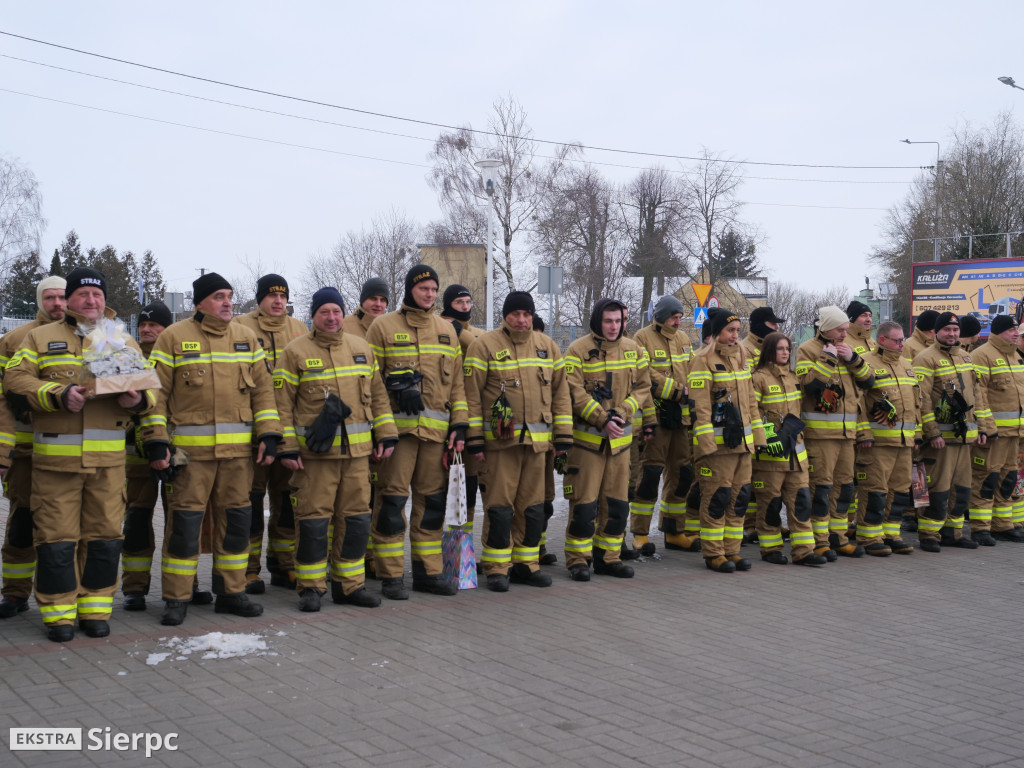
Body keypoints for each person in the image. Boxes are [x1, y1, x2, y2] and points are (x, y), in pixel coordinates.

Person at [5, 268, 153, 642]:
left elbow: (151, 387)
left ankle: (95, 610)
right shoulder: (39, 337)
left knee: (104, 538)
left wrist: (137, 400)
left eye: (97, 294)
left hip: (108, 465)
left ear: (105, 300)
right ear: (69, 299)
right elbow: (15, 380)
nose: (91, 300)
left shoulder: (120, 339)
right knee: (56, 538)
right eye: (83, 293)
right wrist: (57, 394)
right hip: (56, 464)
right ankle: (58, 615)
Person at [142, 272, 283, 625]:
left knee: (236, 525)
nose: (227, 302)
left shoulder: (246, 338)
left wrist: (269, 434)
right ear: (200, 302)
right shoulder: (174, 337)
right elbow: (155, 394)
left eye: (229, 296)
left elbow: (263, 393)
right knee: (184, 527)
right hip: (190, 459)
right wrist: (156, 440)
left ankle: (231, 592)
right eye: (219, 296)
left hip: (237, 458)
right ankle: (177, 598)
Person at [274, 287, 398, 611]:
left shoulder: (361, 348)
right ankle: (311, 587)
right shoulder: (294, 352)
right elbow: (281, 406)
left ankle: (350, 585)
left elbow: (379, 397)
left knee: (356, 522)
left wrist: (386, 435)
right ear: (313, 315)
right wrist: (287, 448)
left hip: (357, 457)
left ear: (344, 313)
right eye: (324, 312)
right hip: (314, 459)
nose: (331, 318)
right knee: (313, 523)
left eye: (336, 311)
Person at [367, 264, 468, 599]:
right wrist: (383, 422)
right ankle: (391, 575)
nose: (429, 294)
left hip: (436, 438)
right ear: (410, 289)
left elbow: (457, 386)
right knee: (392, 503)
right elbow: (368, 382)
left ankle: (428, 572)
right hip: (398, 436)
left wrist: (460, 426)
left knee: (432, 505)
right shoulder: (383, 327)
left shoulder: (446, 330)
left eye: (433, 289)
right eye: (423, 288)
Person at [464, 291, 572, 591]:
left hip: (537, 446)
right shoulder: (483, 346)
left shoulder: (548, 347)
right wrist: (474, 440)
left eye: (527, 314)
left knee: (532, 509)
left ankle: (526, 564)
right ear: (505, 316)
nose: (522, 320)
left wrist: (563, 436)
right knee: (500, 509)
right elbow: (471, 397)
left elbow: (561, 395)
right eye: (515, 314)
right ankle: (497, 567)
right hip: (499, 446)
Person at [121, 301, 212, 610]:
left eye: (154, 325)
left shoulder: (177, 355)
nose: (147, 330)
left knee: (182, 522)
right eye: (142, 325)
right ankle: (134, 588)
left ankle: (188, 584)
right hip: (136, 459)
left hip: (177, 456)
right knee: (136, 521)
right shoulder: (128, 358)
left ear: (167, 329)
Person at [562, 298, 653, 580]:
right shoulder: (577, 350)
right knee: (584, 505)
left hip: (620, 445)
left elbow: (643, 388)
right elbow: (574, 393)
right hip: (587, 445)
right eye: (608, 321)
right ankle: (578, 560)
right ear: (597, 321)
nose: (614, 327)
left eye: (618, 321)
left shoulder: (634, 350)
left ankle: (608, 558)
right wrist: (602, 418)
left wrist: (622, 413)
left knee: (616, 505)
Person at [236, 274, 308, 594]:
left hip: (289, 432)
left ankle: (283, 565)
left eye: (283, 296)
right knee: (251, 503)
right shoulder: (240, 327)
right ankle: (248, 570)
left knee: (287, 501)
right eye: (271, 295)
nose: (278, 301)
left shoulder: (299, 329)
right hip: (252, 434)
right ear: (260, 298)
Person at [0, 275, 66, 618]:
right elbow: (2, 401)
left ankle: (63, 594)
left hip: (68, 453)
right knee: (21, 524)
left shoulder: (87, 338)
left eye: (62, 297)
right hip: (25, 454)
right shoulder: (13, 341)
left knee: (62, 528)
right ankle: (14, 593)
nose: (57, 303)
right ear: (40, 300)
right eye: (50, 297)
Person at [688, 310, 766, 572]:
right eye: (730, 330)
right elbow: (699, 407)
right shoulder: (702, 360)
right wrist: (707, 446)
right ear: (717, 332)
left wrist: (758, 437)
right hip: (718, 449)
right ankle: (714, 553)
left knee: (739, 499)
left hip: (743, 446)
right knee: (717, 499)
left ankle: (732, 550)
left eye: (737, 330)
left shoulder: (741, 359)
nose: (735, 335)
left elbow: (751, 403)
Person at [795, 306, 874, 560]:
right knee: (821, 488)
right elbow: (809, 386)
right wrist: (827, 359)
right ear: (826, 328)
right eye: (840, 330)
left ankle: (838, 538)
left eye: (845, 329)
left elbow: (869, 381)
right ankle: (819, 541)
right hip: (820, 436)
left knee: (845, 488)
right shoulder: (807, 349)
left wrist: (854, 359)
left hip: (847, 435)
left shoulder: (847, 349)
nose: (844, 334)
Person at [913, 312, 993, 552]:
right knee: (935, 489)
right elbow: (922, 400)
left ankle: (953, 533)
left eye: (955, 330)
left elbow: (977, 396)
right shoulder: (925, 358)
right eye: (947, 329)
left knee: (961, 490)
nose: (952, 334)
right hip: (940, 441)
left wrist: (982, 427)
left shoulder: (966, 357)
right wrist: (933, 432)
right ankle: (928, 534)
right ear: (937, 331)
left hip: (965, 438)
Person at [628, 295, 696, 555]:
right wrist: (678, 391)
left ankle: (674, 531)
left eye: (680, 317)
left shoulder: (683, 339)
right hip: (656, 417)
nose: (678, 322)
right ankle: (640, 534)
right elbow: (644, 374)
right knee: (650, 474)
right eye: (674, 317)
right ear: (661, 316)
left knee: (682, 474)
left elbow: (692, 369)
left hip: (681, 418)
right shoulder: (642, 337)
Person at [750, 332, 825, 566]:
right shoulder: (758, 378)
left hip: (796, 456)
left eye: (787, 348)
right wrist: (767, 435)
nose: (785, 352)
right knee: (770, 505)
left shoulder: (793, 377)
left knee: (801, 503)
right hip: (771, 457)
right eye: (780, 348)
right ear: (769, 351)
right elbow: (752, 413)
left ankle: (804, 552)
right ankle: (771, 549)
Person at [852, 321, 920, 556]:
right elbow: (857, 403)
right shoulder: (866, 364)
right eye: (897, 340)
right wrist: (863, 433)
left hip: (904, 442)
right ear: (882, 340)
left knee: (900, 490)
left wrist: (917, 434)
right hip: (877, 443)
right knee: (875, 490)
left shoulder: (906, 365)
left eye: (903, 340)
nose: (902, 345)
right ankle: (869, 536)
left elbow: (916, 404)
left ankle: (892, 534)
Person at [965, 315, 1024, 545]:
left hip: (1014, 433)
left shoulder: (1016, 356)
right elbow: (979, 396)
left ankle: (1003, 524)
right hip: (994, 434)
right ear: (999, 332)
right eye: (1011, 330)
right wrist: (985, 427)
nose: (1016, 333)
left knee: (1008, 479)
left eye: (1016, 329)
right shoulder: (982, 355)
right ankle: (981, 528)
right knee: (986, 479)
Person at [440, 284, 487, 544]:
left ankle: (461, 550)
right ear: (448, 304)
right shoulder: (439, 329)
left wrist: (462, 332)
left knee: (467, 485)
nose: (465, 307)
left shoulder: (476, 334)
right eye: (459, 303)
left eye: (468, 302)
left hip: (473, 416)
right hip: (445, 416)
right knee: (444, 488)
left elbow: (484, 350)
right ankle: (445, 547)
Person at [739, 306, 786, 540]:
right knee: (751, 478)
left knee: (766, 481)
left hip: (772, 423)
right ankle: (749, 525)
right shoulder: (744, 350)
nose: (776, 328)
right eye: (772, 324)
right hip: (751, 419)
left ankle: (764, 522)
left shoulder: (775, 349)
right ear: (759, 325)